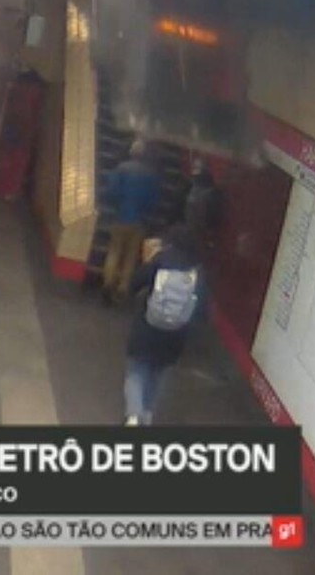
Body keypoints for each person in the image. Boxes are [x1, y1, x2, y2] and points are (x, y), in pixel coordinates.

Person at [123, 224, 206, 425]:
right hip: (175, 334)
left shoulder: (160, 261)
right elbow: (202, 309)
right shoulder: (196, 273)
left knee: (137, 370)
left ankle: (134, 416)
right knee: (158, 374)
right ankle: (148, 415)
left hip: (148, 327)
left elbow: (135, 282)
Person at [101, 139, 161, 304]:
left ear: (131, 152)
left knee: (114, 251)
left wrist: (116, 204)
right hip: (140, 221)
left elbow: (111, 191)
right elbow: (154, 201)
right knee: (131, 256)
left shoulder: (121, 169)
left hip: (120, 217)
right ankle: (122, 288)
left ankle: (108, 283)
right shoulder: (152, 175)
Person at [183, 158, 222, 251]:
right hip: (193, 231)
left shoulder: (210, 192)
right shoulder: (191, 187)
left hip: (203, 233)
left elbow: (211, 217)